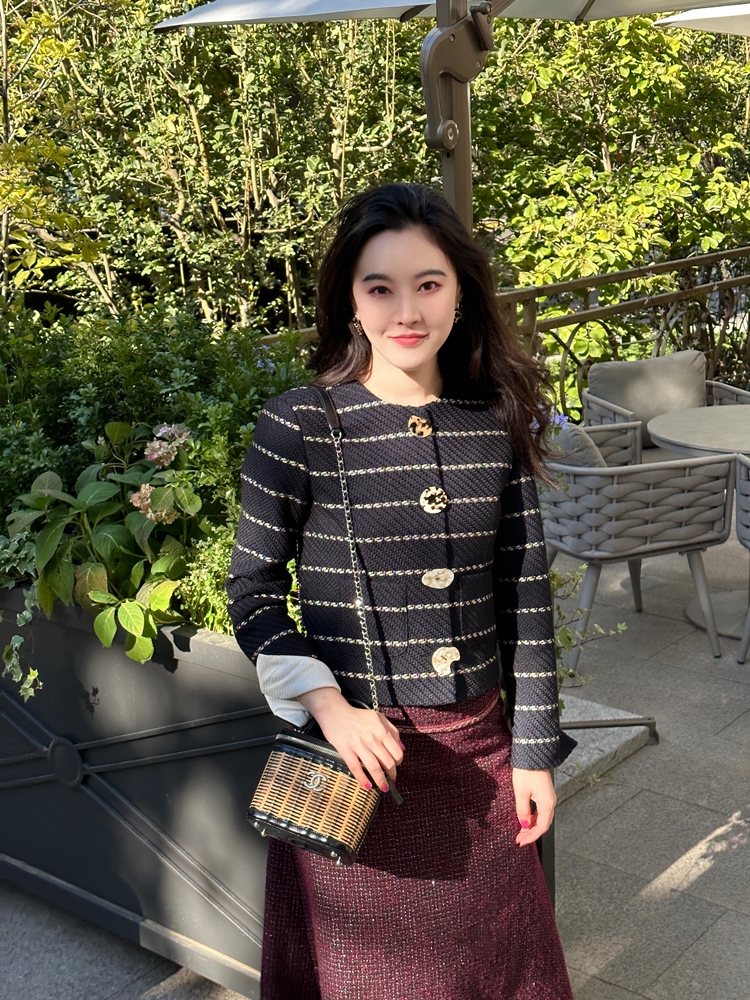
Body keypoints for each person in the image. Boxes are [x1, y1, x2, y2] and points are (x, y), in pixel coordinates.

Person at [227, 182, 576, 1000]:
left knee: (504, 974)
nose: (406, 311)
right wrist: (328, 705)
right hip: (359, 770)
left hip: (482, 758)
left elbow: (526, 600)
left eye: (428, 283)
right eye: (380, 287)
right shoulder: (300, 424)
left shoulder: (493, 420)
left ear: (461, 291)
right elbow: (251, 592)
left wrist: (533, 753)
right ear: (350, 300)